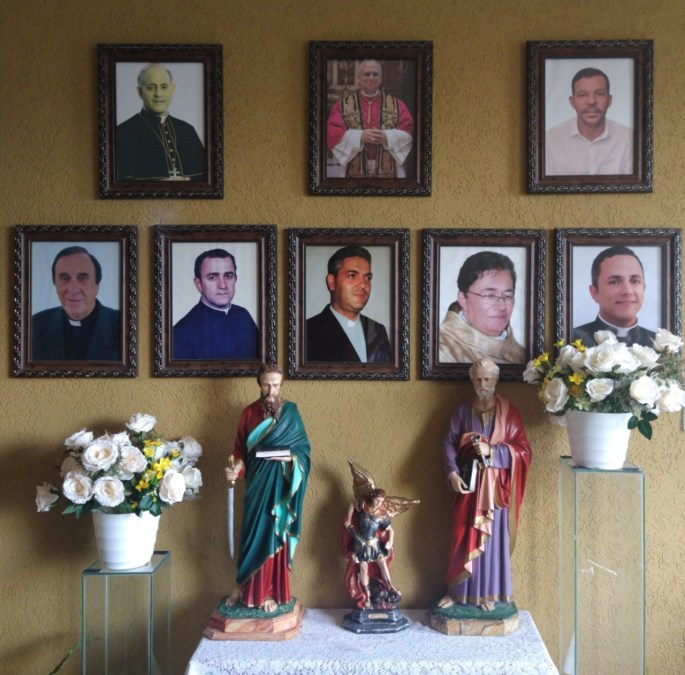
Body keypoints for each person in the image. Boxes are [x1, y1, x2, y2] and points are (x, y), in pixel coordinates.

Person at [437, 358, 531, 611]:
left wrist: (494, 451)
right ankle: (457, 592)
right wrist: (452, 473)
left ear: (496, 379)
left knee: (491, 542)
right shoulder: (461, 411)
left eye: (487, 378)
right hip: (468, 487)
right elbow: (448, 442)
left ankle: (489, 593)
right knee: (462, 537)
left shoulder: (510, 413)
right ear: (472, 380)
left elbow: (523, 450)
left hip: (495, 493)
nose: (483, 384)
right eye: (478, 378)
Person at [224, 364, 311, 613]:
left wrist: (290, 457)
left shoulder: (291, 412)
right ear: (259, 384)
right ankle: (243, 586)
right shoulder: (249, 413)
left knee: (273, 534)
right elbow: (240, 451)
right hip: (257, 485)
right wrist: (235, 469)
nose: (271, 391)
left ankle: (269, 591)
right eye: (266, 385)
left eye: (275, 385)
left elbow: (303, 450)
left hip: (280, 487)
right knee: (252, 535)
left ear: (281, 385)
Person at [342, 460, 419, 611]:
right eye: (377, 501)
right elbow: (347, 523)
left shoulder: (382, 515)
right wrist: (356, 537)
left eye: (381, 502)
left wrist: (390, 542)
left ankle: (389, 586)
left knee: (382, 562)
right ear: (372, 497)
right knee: (363, 568)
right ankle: (367, 596)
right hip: (360, 544)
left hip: (374, 544)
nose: (379, 504)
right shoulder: (361, 505)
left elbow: (390, 530)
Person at [116, 63, 206, 181]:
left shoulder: (187, 130)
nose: (158, 94)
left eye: (164, 87)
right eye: (151, 87)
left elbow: (207, 178)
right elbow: (120, 181)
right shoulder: (124, 131)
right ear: (140, 92)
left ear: (172, 90)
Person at [326, 59, 414, 178]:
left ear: (381, 78)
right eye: (367, 74)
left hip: (389, 168)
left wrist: (388, 137)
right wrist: (359, 137)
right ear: (358, 78)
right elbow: (332, 133)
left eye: (375, 74)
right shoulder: (342, 106)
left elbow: (409, 131)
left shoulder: (397, 105)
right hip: (352, 169)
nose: (371, 78)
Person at [31, 246, 121, 361]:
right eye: (64, 278)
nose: (73, 290)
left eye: (82, 278)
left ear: (97, 286)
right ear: (55, 284)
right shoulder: (34, 326)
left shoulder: (122, 325)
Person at [306, 245, 393, 363]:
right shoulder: (308, 331)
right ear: (332, 282)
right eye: (352, 275)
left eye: (368, 278)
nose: (363, 285)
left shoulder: (378, 330)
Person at [438, 251, 526, 364]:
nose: (502, 306)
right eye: (489, 296)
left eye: (508, 296)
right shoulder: (441, 349)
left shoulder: (524, 356)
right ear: (463, 299)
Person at [172, 249, 259, 360]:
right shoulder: (180, 333)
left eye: (228, 276)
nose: (223, 285)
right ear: (198, 284)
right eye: (212, 277)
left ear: (235, 279)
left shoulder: (243, 315)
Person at [545, 67, 633, 176]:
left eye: (599, 94)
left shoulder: (629, 138)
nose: (591, 101)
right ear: (572, 102)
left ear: (609, 100)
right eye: (582, 95)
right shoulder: (550, 140)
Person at [572, 245, 656, 347]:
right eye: (614, 282)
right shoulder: (571, 341)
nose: (628, 291)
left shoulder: (661, 345)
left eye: (635, 281)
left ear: (644, 288)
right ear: (595, 293)